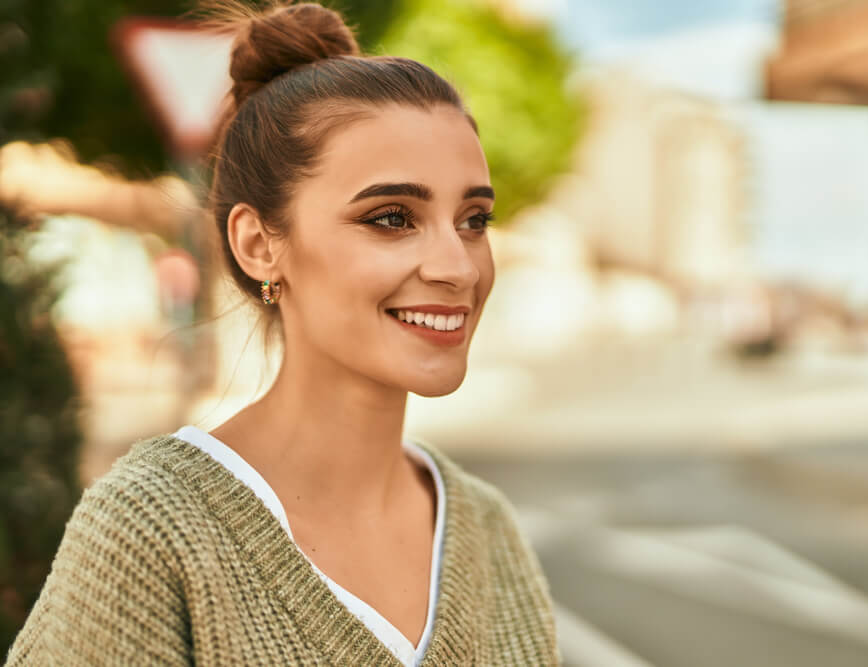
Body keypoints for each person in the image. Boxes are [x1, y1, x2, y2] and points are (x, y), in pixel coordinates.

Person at [5, 2, 560, 664]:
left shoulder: (488, 528)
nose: (457, 267)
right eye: (391, 217)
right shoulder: (155, 530)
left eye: (473, 219)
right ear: (258, 244)